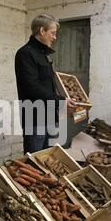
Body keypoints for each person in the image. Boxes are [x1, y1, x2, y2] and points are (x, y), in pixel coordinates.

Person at [15, 14, 76, 153]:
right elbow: (33, 88)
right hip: (35, 119)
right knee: (34, 165)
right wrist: (61, 101)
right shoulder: (25, 54)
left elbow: (48, 87)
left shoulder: (42, 54)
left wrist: (63, 103)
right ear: (42, 31)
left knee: (48, 160)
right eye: (53, 33)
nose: (55, 37)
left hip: (49, 116)